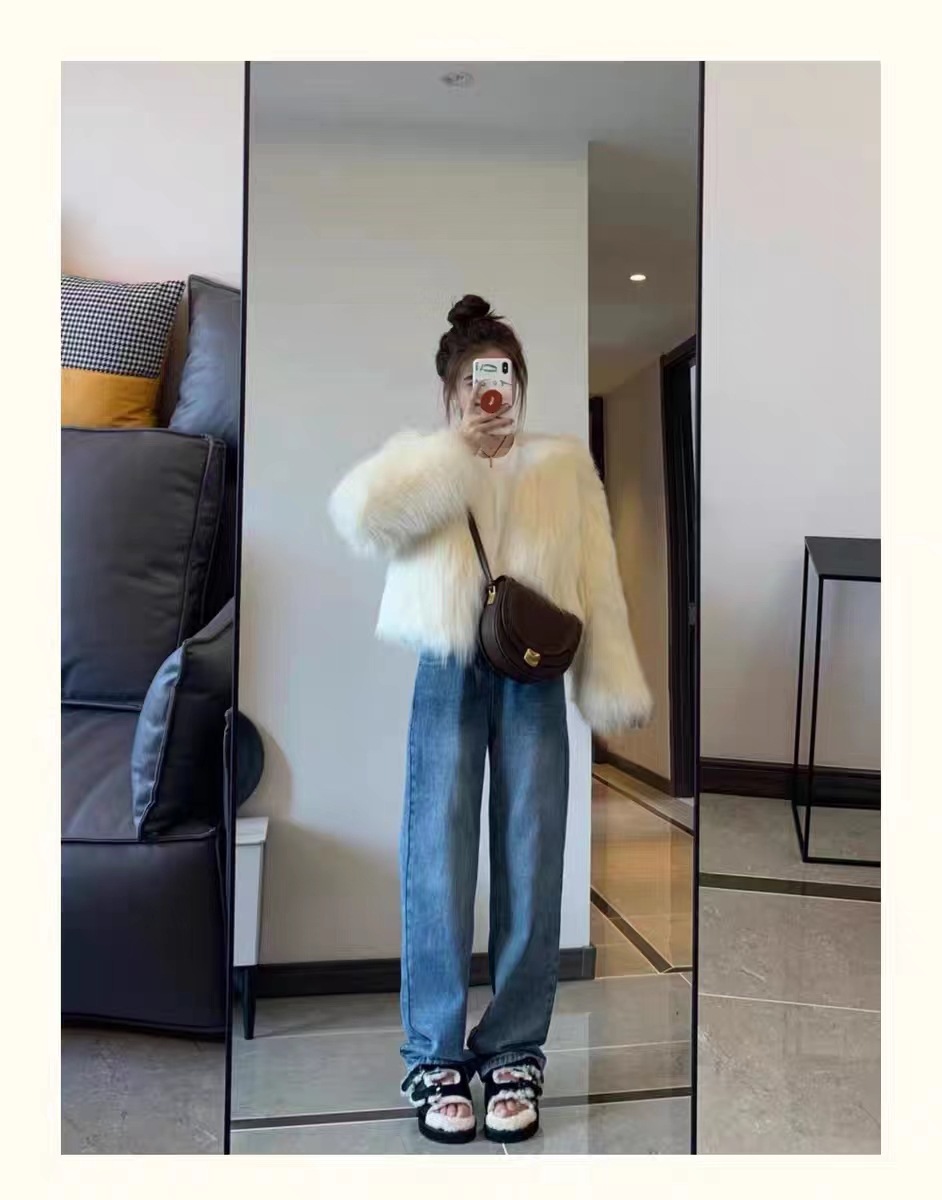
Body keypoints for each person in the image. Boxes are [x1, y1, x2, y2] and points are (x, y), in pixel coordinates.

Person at [328, 294, 651, 1145]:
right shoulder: (423, 461)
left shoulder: (562, 464)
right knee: (435, 855)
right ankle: (434, 1054)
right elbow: (359, 518)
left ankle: (513, 1051)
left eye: (503, 379)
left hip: (532, 671)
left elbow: (599, 579)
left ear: (522, 383)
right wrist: (454, 454)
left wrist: (610, 683)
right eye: (475, 382)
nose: (492, 394)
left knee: (532, 855)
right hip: (447, 665)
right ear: (451, 392)